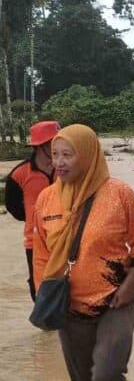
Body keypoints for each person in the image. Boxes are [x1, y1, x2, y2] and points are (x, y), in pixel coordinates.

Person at [33, 124, 134, 381]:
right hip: (70, 305)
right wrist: (45, 296)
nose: (59, 162)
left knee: (106, 373)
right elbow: (41, 252)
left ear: (88, 155)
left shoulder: (119, 194)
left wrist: (129, 284)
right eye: (55, 154)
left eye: (68, 154)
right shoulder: (46, 199)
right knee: (81, 377)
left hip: (116, 299)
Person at [4, 120, 61, 301]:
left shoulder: (67, 168)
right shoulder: (20, 174)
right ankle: (47, 327)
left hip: (67, 236)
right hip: (35, 241)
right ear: (40, 146)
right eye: (53, 142)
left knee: (72, 282)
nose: (57, 146)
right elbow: (12, 206)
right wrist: (32, 218)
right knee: (40, 287)